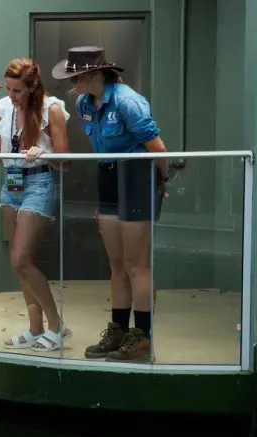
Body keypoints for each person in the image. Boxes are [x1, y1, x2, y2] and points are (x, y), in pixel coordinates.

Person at [51, 46, 169, 362]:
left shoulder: (127, 101)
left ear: (93, 74)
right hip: (107, 175)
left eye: (76, 77)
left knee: (136, 265)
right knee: (116, 264)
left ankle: (142, 339)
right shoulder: (83, 103)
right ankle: (118, 330)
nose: (72, 84)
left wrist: (160, 183)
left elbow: (157, 148)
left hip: (136, 176)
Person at [0, 57, 73, 352]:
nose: (11, 96)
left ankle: (57, 326)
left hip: (38, 183)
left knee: (20, 260)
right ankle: (35, 328)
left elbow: (66, 161)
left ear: (33, 88)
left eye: (17, 91)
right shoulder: (6, 108)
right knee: (20, 263)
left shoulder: (52, 109)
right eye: (8, 89)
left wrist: (43, 153)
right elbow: (3, 149)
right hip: (12, 183)